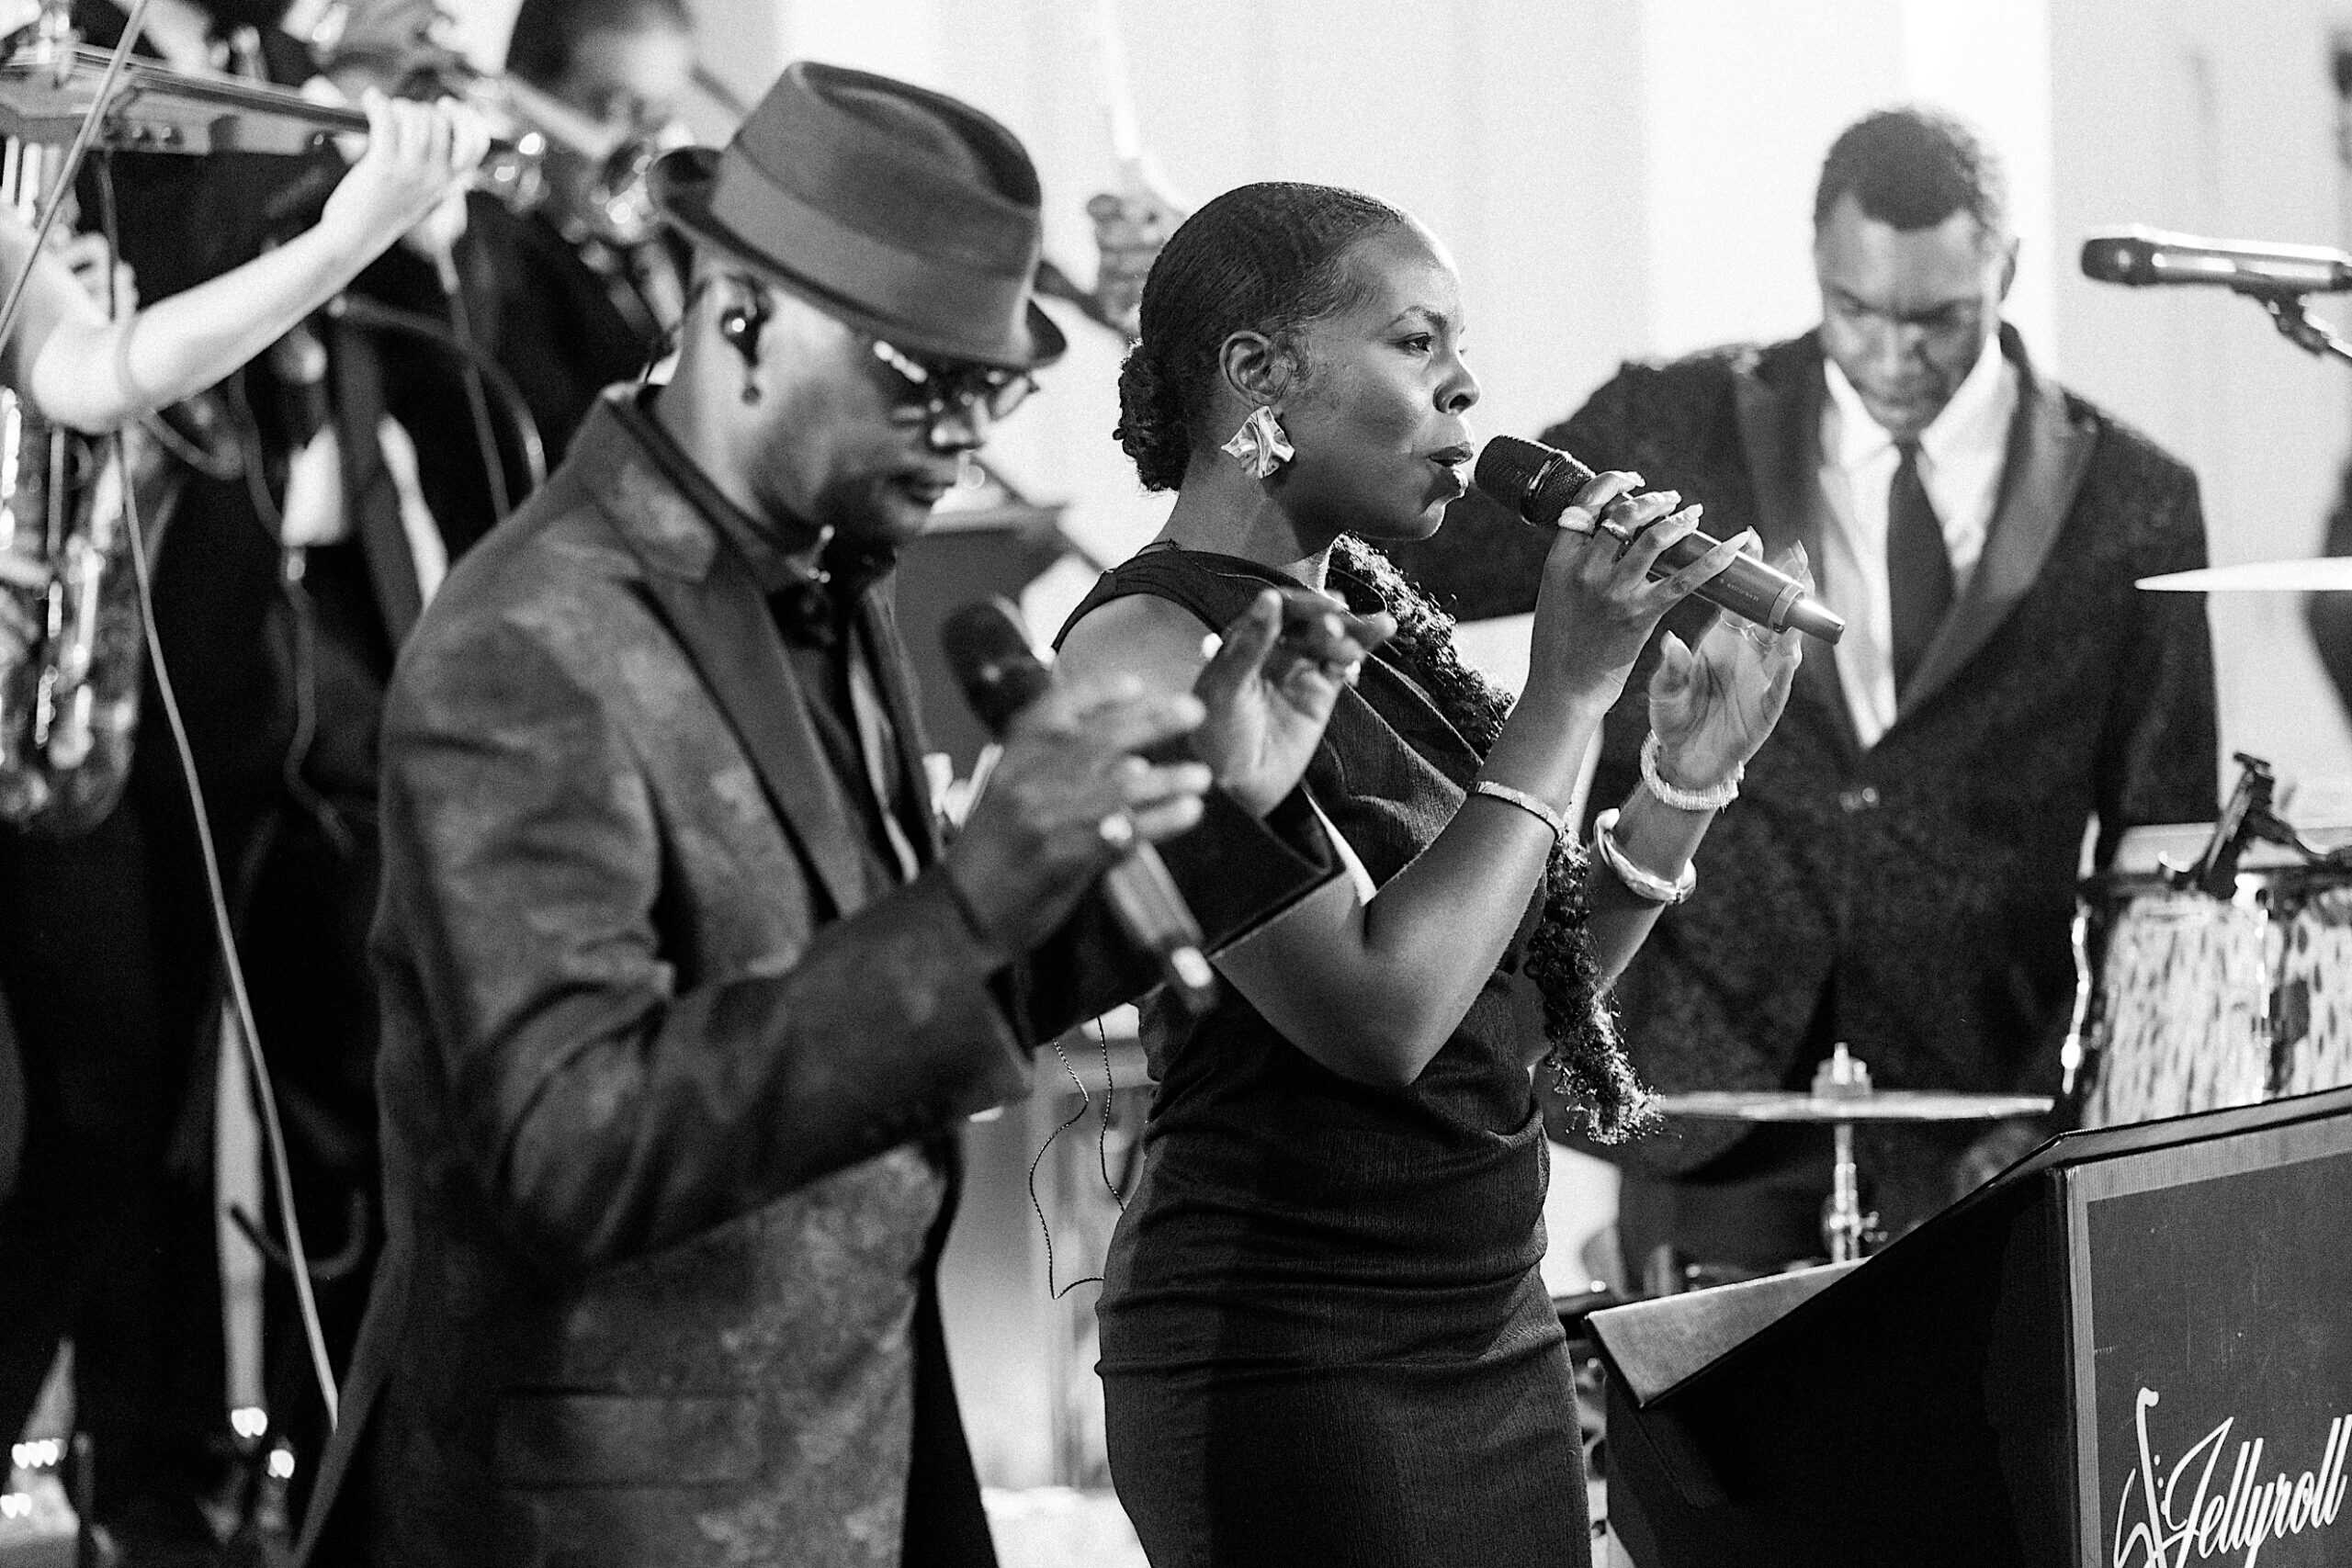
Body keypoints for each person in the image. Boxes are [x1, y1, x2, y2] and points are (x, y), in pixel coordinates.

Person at [291, 63, 1384, 1568]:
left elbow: (918, 1008)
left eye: (993, 389)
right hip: (606, 1509)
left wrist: (1204, 831)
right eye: (924, 383)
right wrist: (972, 898)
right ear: (740, 314)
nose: (963, 436)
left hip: (857, 1460)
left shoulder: (830, 573)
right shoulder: (529, 640)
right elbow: (569, 1151)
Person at [1052, 180, 1802, 1567]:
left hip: (1486, 1333)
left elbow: (1504, 995)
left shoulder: (1368, 611)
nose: (1468, 387)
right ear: (1257, 376)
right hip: (1298, 1362)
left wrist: (1681, 782)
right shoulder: (1147, 651)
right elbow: (1382, 1018)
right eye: (1416, 342)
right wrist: (1570, 695)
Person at [1387, 106, 2219, 1275]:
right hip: (1694, 1091)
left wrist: (2086, 1108)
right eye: (1856, 311)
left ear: (2008, 272)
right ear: (1816, 268)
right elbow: (1402, 554)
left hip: (1979, 1110)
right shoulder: (1669, 420)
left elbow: (2162, 847)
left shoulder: (2136, 497)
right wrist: (1257, 377)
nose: (1891, 353)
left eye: (1937, 319)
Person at [0, 2, 489, 1557]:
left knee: (104, 1097)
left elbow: (93, 372)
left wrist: (357, 227)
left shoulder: (31, 176)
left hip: (50, 728)